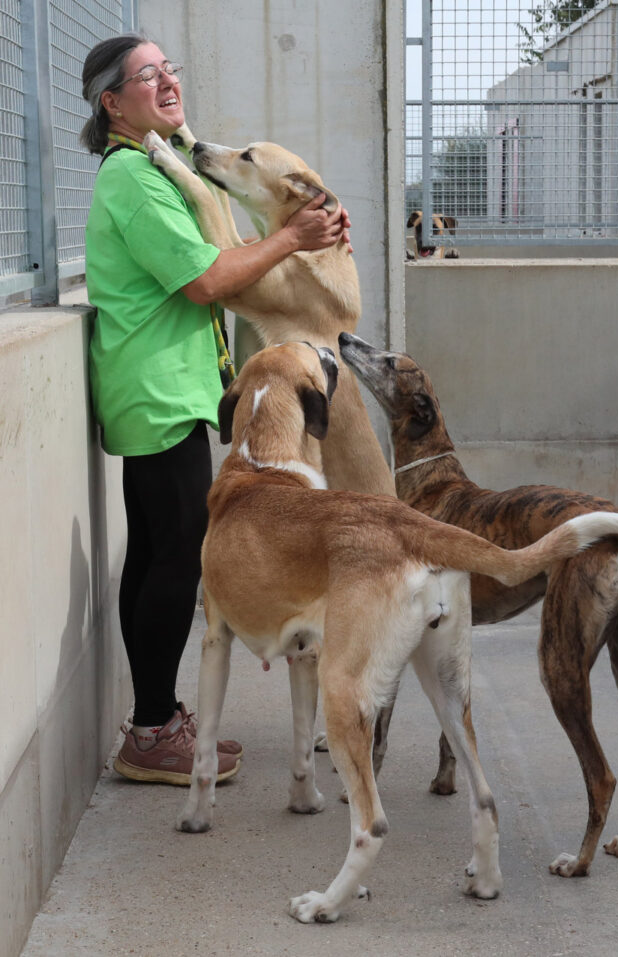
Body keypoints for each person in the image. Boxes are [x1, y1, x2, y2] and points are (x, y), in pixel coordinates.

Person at [81, 33, 348, 785]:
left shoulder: (157, 162)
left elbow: (240, 215)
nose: (168, 80)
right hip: (156, 390)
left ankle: (155, 719)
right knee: (176, 554)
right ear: (112, 102)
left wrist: (309, 226)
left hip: (164, 387)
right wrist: (294, 237)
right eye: (148, 74)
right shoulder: (132, 178)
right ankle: (154, 730)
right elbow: (207, 280)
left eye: (170, 68)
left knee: (155, 551)